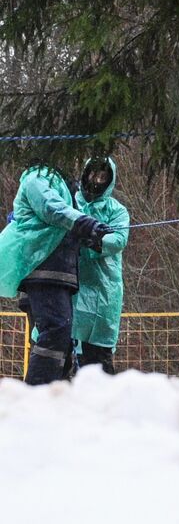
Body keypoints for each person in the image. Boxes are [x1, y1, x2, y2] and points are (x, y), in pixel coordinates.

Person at [0, 159, 110, 384]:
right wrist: (84, 223)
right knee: (55, 331)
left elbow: (63, 222)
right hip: (43, 271)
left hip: (58, 273)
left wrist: (88, 235)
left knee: (60, 336)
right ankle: (36, 396)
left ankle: (48, 396)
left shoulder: (61, 184)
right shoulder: (37, 177)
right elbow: (52, 209)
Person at [72, 157, 131, 374]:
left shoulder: (117, 211)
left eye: (103, 176)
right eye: (93, 174)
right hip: (72, 286)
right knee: (66, 355)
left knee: (98, 362)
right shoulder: (71, 202)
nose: (96, 180)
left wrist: (93, 240)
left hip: (103, 292)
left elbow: (118, 240)